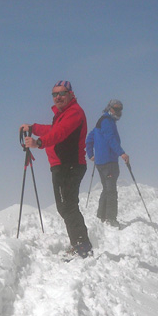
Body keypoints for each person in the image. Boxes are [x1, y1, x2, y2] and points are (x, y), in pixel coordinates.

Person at [20, 81, 92, 257]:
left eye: (62, 93)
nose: (58, 97)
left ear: (70, 94)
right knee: (65, 206)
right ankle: (80, 245)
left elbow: (60, 133)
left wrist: (39, 142)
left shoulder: (74, 112)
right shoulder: (63, 114)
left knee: (68, 206)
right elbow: (54, 129)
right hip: (62, 166)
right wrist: (34, 128)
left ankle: (82, 247)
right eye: (54, 94)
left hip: (69, 165)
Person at [86, 99, 129, 228]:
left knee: (106, 188)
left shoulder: (101, 121)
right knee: (111, 191)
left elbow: (89, 139)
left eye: (120, 109)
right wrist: (121, 153)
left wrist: (91, 155)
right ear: (109, 108)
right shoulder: (107, 122)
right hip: (109, 161)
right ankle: (111, 219)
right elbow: (110, 139)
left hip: (101, 162)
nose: (118, 111)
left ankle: (102, 216)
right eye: (116, 108)